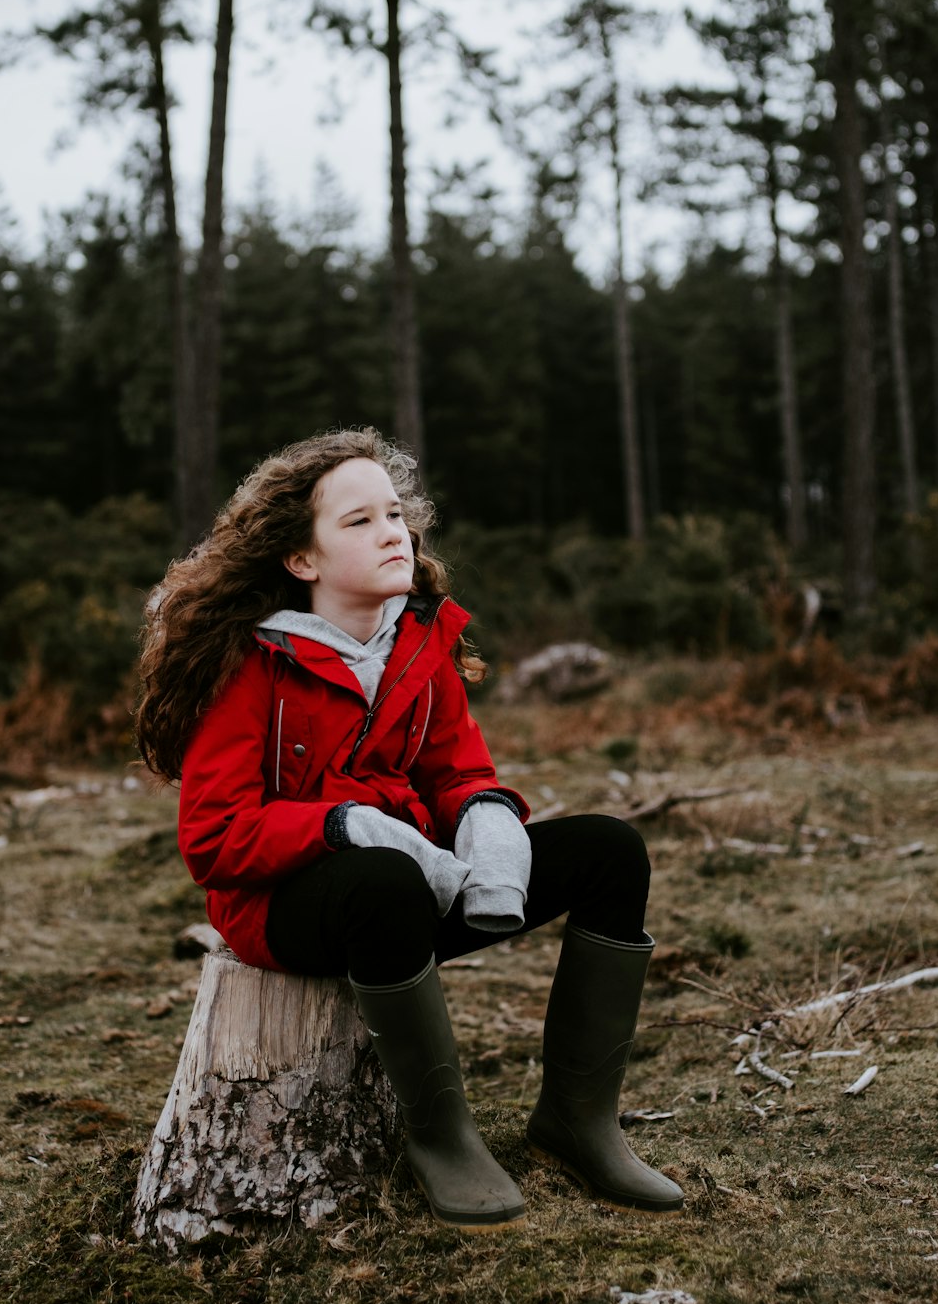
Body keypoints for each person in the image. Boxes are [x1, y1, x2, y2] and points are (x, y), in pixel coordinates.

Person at [136, 427, 683, 1231]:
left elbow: (458, 773)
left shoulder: (422, 644)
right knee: (381, 880)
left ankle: (579, 1121)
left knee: (610, 849)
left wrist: (490, 822)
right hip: (284, 909)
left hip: (414, 880)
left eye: (395, 513)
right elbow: (215, 838)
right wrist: (346, 825)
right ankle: (441, 1135)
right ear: (302, 558)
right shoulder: (252, 665)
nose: (393, 530)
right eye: (358, 520)